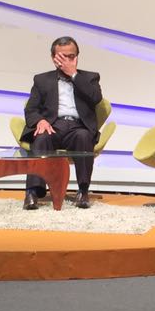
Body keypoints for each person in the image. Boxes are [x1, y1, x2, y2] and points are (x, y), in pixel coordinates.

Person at [20, 35, 102, 210]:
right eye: (62, 57)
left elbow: (95, 98)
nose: (66, 61)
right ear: (53, 58)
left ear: (77, 57)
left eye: (71, 56)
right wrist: (41, 120)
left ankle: (83, 191)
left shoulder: (90, 78)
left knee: (83, 137)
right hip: (53, 126)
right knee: (41, 138)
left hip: (78, 127)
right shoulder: (41, 80)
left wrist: (73, 74)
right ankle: (32, 192)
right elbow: (31, 109)